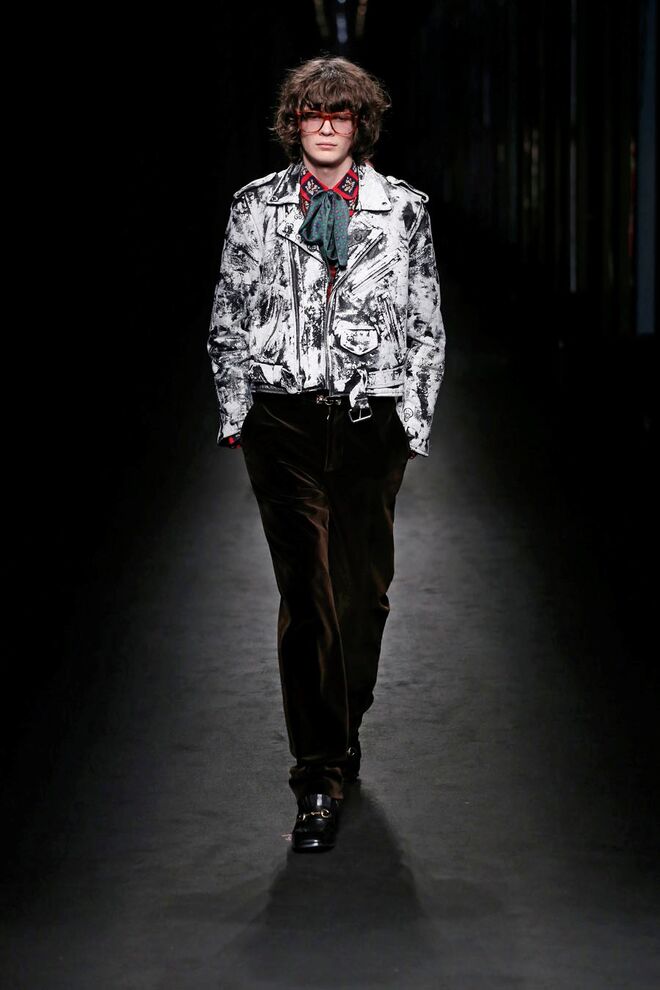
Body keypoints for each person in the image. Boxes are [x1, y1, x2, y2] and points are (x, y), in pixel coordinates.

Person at [207, 55, 446, 851]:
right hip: (283, 421)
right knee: (308, 597)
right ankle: (318, 775)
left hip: (372, 421)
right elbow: (228, 314)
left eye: (340, 113)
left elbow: (426, 323)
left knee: (361, 598)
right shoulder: (255, 208)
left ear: (360, 123)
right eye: (312, 113)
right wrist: (237, 410)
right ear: (294, 122)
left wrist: (413, 420)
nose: (326, 126)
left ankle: (342, 724)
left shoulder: (403, 210)